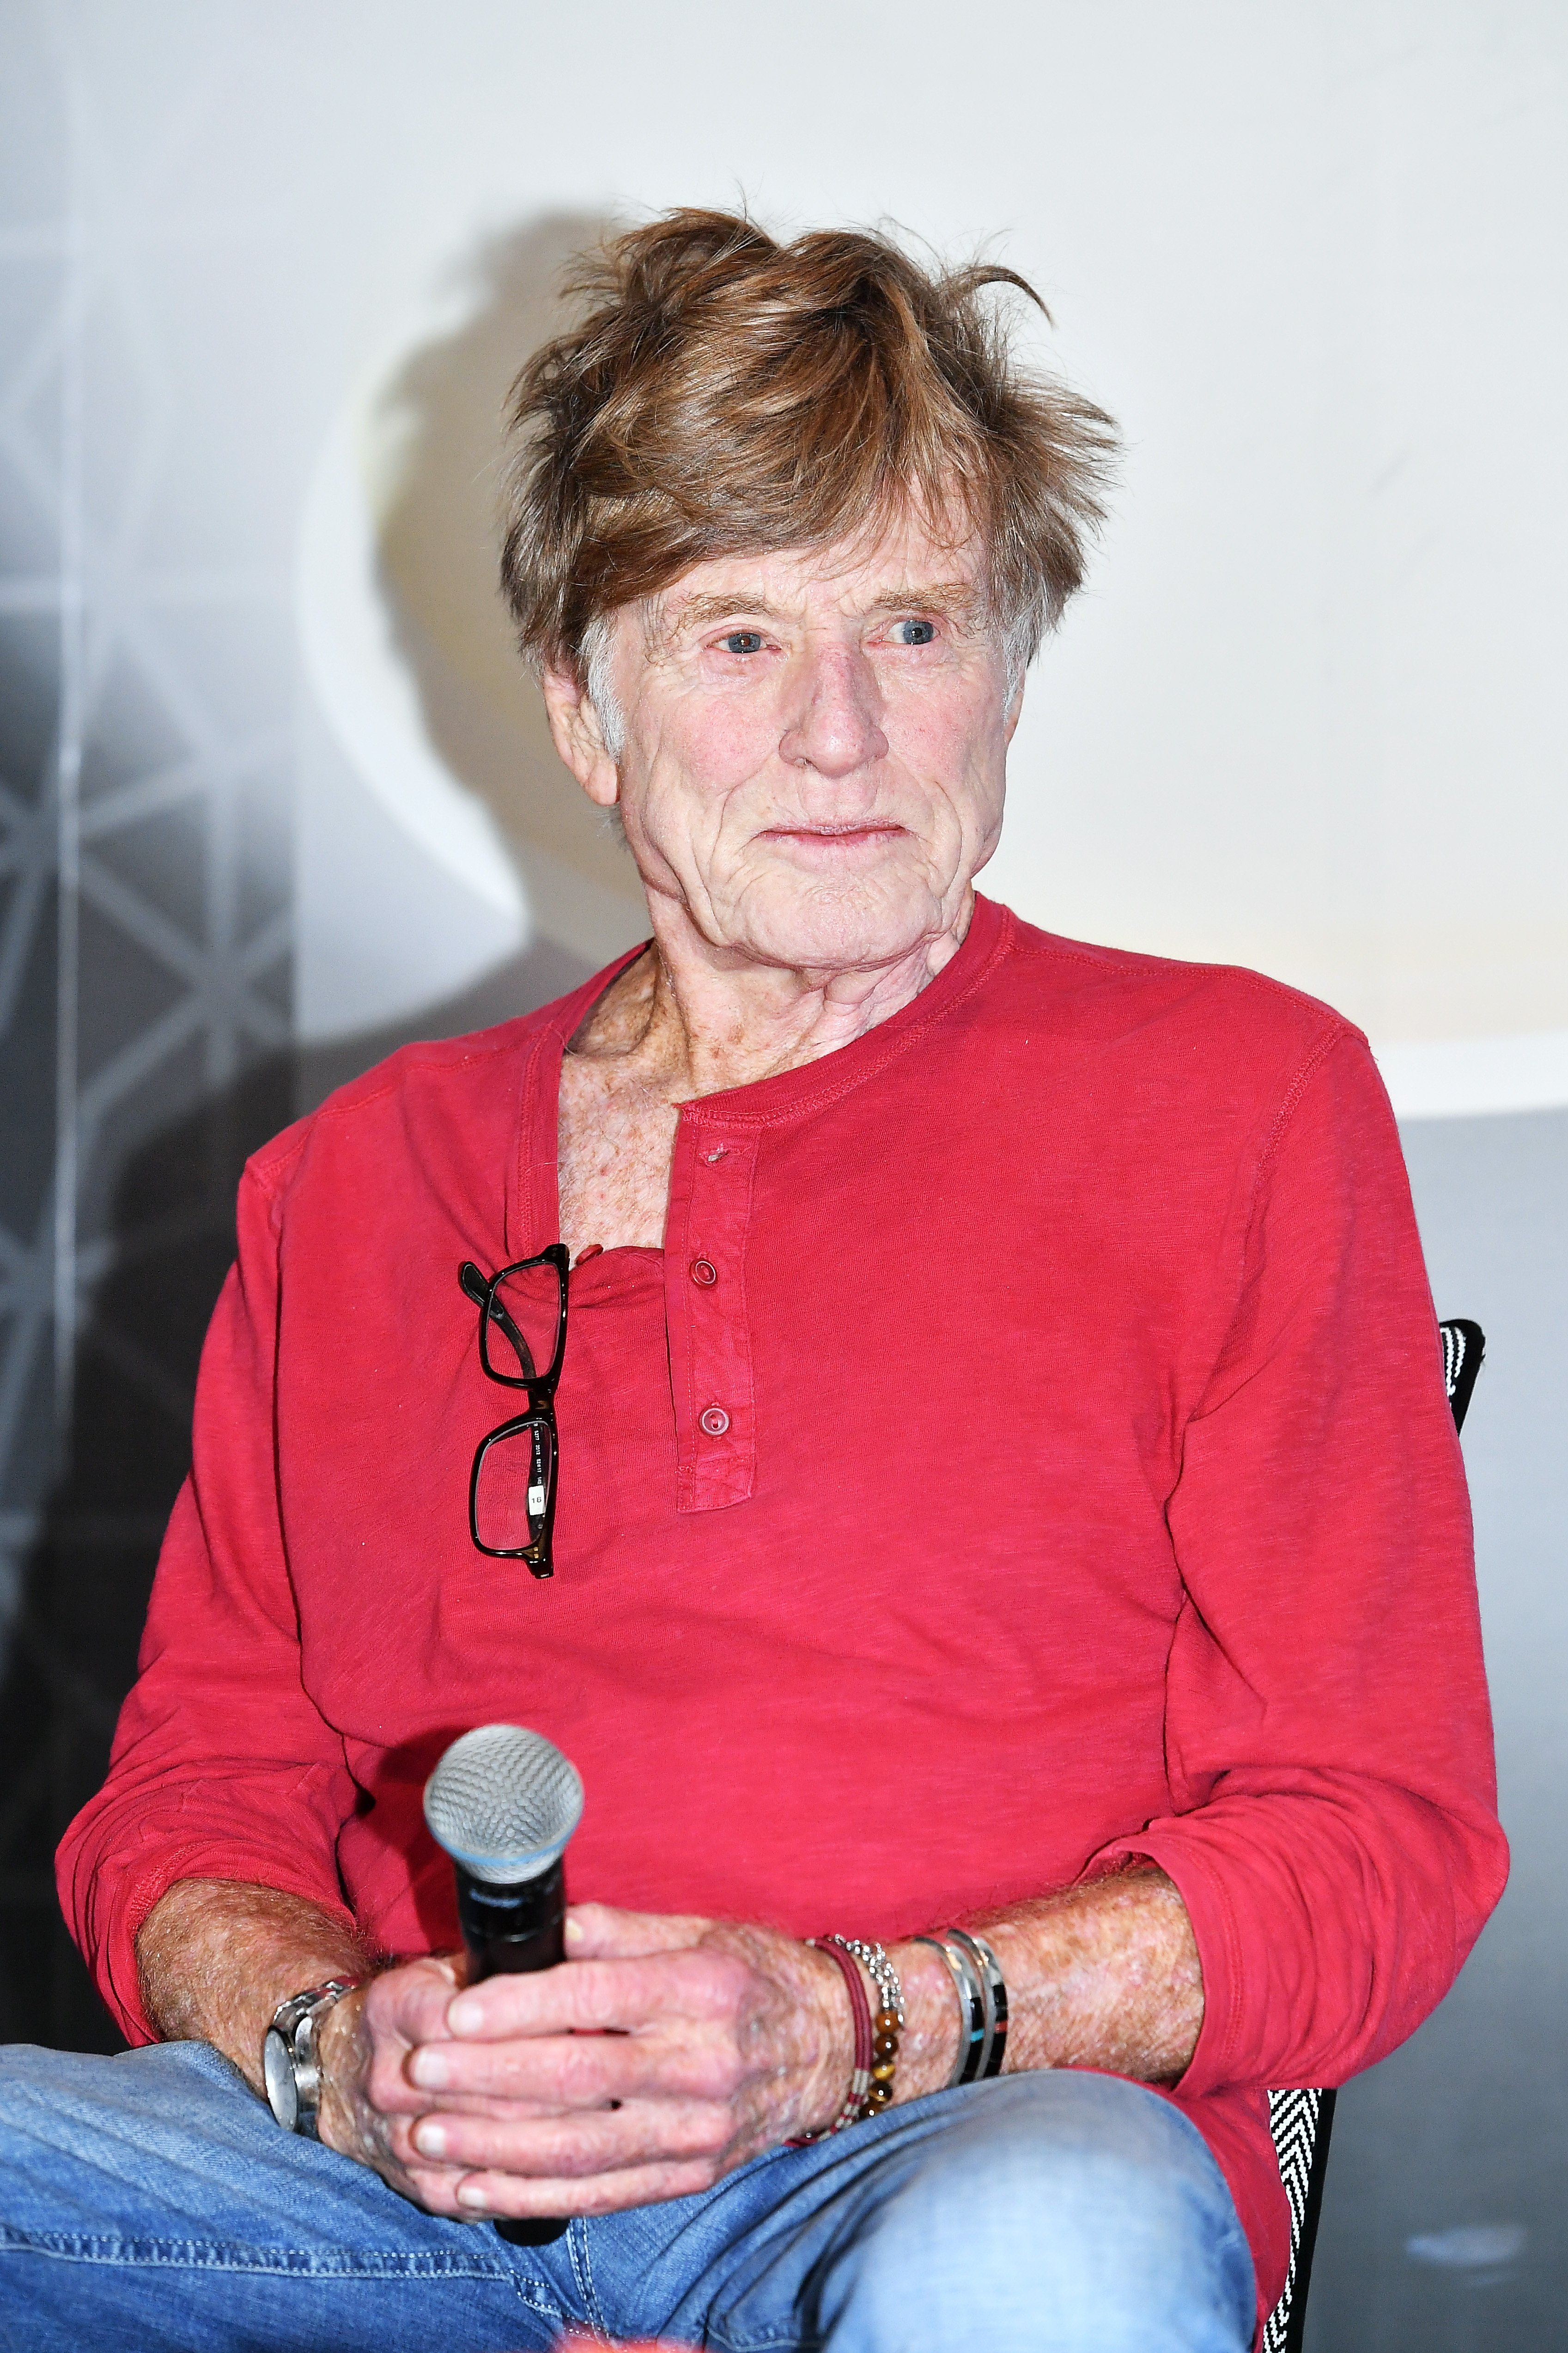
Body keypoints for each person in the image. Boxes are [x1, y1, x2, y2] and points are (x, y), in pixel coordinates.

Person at [0, 211, 1505, 2353]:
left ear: (1007, 670)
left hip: (967, 2133)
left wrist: (846, 2024)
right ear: (585, 715)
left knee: (1047, 2252)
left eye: (912, 624)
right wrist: (354, 2056)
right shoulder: (341, 1187)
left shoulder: (1243, 1102)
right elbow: (190, 1808)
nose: (837, 733)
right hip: (397, 2195)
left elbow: (1379, 1842)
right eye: (734, 639)